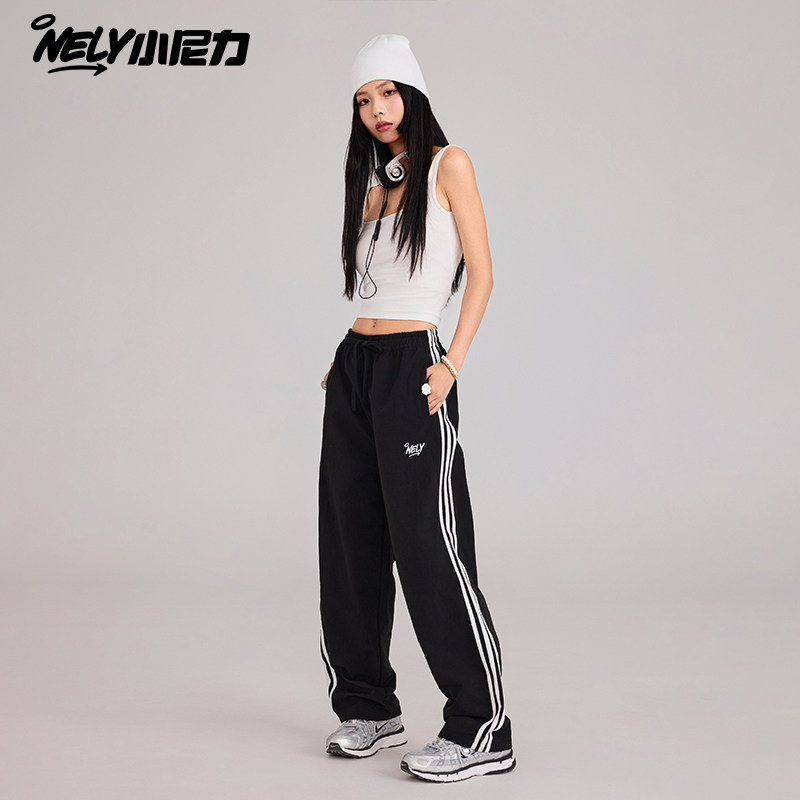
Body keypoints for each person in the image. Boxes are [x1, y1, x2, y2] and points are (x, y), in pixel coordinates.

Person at [317, 33, 515, 783]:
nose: (376, 109)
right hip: (357, 367)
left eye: (388, 92)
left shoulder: (448, 164)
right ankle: (368, 705)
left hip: (413, 368)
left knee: (428, 545)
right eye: (363, 99)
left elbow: (482, 274)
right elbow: (375, 288)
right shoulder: (376, 187)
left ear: (413, 92)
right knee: (350, 541)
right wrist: (344, 359)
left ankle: (481, 727)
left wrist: (450, 365)